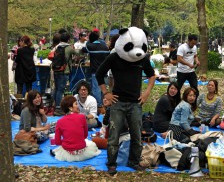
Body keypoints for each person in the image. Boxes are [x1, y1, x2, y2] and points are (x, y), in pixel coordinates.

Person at [96, 27, 156, 175]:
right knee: (114, 135)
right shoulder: (114, 57)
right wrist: (106, 93)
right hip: (118, 102)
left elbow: (152, 75)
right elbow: (99, 74)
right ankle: (111, 163)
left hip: (136, 103)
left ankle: (134, 161)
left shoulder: (142, 58)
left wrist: (147, 92)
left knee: (137, 135)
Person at [51, 95, 100, 162]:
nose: (78, 106)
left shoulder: (59, 122)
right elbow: (85, 136)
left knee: (56, 150)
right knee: (91, 144)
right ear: (70, 108)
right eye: (76, 104)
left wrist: (68, 142)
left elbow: (57, 142)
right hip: (83, 152)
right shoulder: (82, 117)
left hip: (68, 153)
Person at [81, 31, 110, 113]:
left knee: (96, 89)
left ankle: (99, 106)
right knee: (103, 89)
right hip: (105, 71)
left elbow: (83, 50)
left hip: (95, 71)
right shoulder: (105, 47)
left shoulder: (90, 46)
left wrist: (88, 42)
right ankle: (104, 105)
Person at [53, 31, 77, 116]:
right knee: (61, 89)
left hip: (56, 69)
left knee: (56, 88)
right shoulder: (69, 47)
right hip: (64, 70)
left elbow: (51, 55)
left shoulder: (57, 47)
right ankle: (59, 108)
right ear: (68, 39)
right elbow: (77, 53)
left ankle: (55, 106)